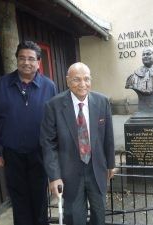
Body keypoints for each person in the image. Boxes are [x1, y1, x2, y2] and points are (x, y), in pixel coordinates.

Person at [0, 41, 57, 225]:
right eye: (22, 58)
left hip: (39, 153)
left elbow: (55, 123)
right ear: (17, 60)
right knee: (19, 201)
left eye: (31, 59)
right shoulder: (2, 85)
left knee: (40, 200)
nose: (27, 62)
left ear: (38, 62)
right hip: (12, 154)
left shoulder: (49, 87)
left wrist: (55, 154)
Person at [40, 62, 115, 225]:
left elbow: (108, 136)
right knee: (74, 217)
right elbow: (48, 144)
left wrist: (111, 164)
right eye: (76, 79)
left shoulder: (102, 102)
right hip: (69, 172)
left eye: (86, 79)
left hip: (97, 170)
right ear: (68, 81)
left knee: (99, 214)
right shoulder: (53, 105)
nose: (82, 84)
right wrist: (54, 176)